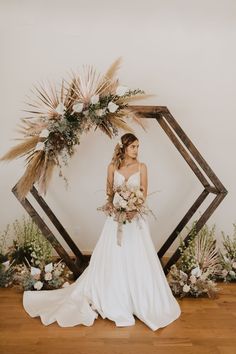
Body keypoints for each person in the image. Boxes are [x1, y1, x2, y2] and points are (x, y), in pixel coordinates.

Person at [23, 133, 181, 330]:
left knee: (137, 257)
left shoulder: (142, 167)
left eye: (138, 146)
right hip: (115, 220)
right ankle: (113, 295)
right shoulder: (112, 167)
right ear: (123, 148)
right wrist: (117, 207)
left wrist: (133, 208)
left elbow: (144, 193)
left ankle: (139, 299)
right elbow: (109, 193)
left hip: (136, 221)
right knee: (112, 256)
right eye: (133, 146)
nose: (136, 150)